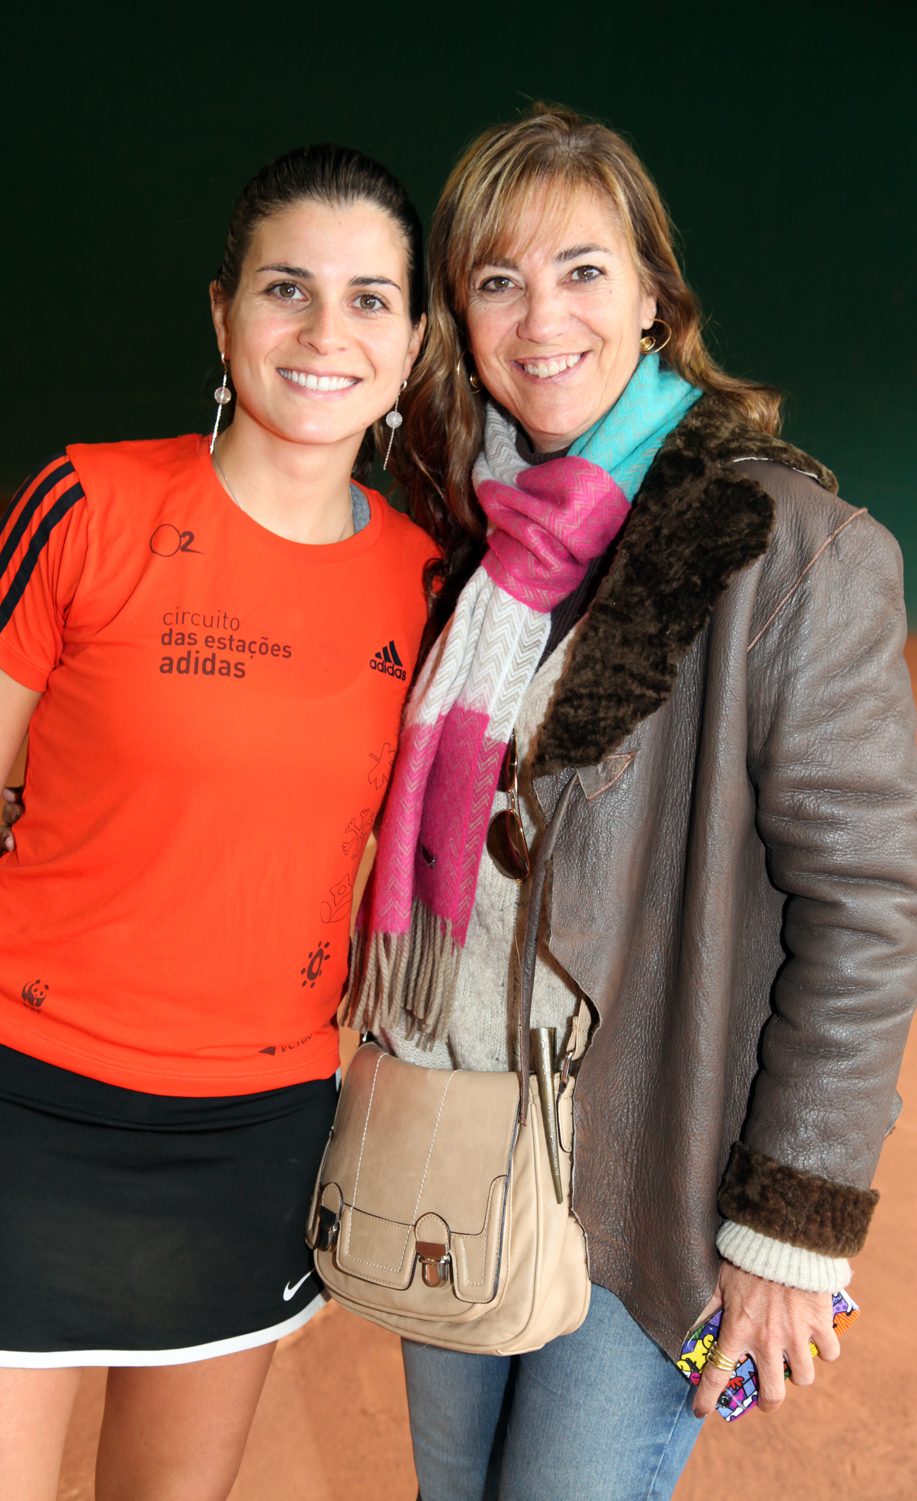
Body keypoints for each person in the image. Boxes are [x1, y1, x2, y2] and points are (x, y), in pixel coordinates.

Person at [346, 104, 917, 1499]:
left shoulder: (785, 545)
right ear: (460, 319)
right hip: (450, 1130)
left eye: (584, 269)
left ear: (655, 297)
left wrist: (790, 1225)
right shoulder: (476, 551)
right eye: (498, 279)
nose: (543, 317)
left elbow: (870, 907)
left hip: (643, 1176)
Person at [0, 143, 431, 1501]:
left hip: (252, 1129)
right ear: (223, 313)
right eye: (286, 288)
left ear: (415, 344)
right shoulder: (85, 505)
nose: (325, 332)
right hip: (13, 1093)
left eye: (370, 299)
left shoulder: (431, 586)